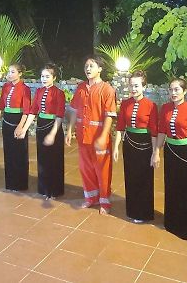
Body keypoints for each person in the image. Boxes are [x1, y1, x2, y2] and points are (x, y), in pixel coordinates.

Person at [66, 55, 117, 215]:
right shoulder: (81, 87)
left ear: (100, 69)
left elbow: (110, 115)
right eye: (86, 66)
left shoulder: (107, 89)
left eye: (92, 66)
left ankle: (104, 200)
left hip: (99, 137)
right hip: (83, 136)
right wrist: (69, 130)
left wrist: (103, 136)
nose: (88, 69)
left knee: (102, 170)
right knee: (85, 168)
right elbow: (74, 110)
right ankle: (91, 198)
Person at [153, 78, 187, 240]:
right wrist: (156, 152)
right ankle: (171, 222)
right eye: (171, 90)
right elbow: (161, 132)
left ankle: (186, 227)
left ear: (184, 91)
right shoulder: (165, 108)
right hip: (170, 151)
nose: (173, 93)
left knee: (186, 189)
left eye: (177, 90)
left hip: (186, 152)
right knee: (171, 186)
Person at [113, 70, 158, 223]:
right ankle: (132, 210)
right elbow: (120, 127)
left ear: (144, 87)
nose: (133, 89)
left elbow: (154, 131)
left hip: (145, 144)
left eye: (137, 86)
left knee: (144, 178)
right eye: (131, 86)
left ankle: (144, 212)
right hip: (129, 142)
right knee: (130, 176)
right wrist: (116, 148)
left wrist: (155, 153)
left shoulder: (151, 106)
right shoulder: (125, 104)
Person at [21, 63, 65, 199]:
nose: (44, 79)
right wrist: (24, 129)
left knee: (54, 160)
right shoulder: (39, 92)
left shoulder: (59, 93)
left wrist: (53, 134)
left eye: (47, 76)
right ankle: (43, 188)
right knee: (42, 159)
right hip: (41, 126)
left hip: (53, 126)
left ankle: (54, 190)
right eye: (42, 76)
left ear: (54, 77)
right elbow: (33, 111)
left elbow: (59, 115)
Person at [0, 63, 31, 191]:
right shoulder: (6, 87)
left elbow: (26, 110)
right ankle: (11, 182)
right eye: (9, 72)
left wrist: (20, 126)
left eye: (13, 72)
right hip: (7, 122)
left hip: (18, 121)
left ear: (20, 73)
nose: (9, 74)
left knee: (20, 153)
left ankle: (20, 183)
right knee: (9, 153)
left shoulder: (25, 88)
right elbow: (1, 106)